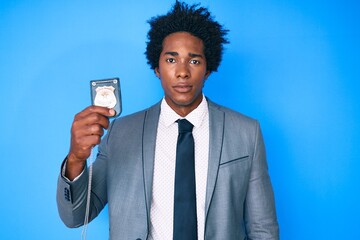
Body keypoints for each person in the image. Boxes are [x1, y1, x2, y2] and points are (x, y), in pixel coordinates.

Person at [57, 1, 279, 239]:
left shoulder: (246, 132)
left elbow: (262, 228)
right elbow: (76, 216)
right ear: (156, 67)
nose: (182, 71)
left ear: (207, 69)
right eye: (171, 60)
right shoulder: (121, 133)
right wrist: (76, 159)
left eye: (194, 61)